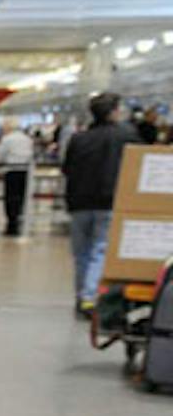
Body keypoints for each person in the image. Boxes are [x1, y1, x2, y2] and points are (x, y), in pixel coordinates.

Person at [61, 93, 138, 314]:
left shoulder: (79, 139)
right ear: (114, 111)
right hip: (109, 201)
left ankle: (81, 296)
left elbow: (67, 169)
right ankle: (89, 297)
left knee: (81, 253)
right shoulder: (126, 136)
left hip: (79, 202)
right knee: (100, 249)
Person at [0, 117, 36, 236]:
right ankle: (20, 223)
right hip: (25, 171)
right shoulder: (26, 138)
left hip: (11, 171)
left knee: (10, 199)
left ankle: (12, 225)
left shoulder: (7, 139)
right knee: (21, 198)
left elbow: (0, 156)